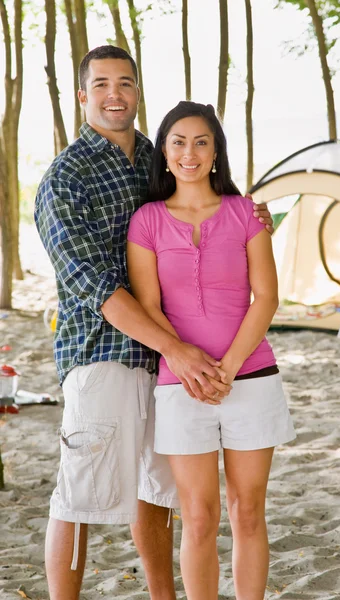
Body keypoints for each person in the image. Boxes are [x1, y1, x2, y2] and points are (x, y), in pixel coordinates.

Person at [34, 45, 274, 600]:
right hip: (102, 353)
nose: (113, 94)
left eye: (125, 83)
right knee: (79, 494)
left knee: (159, 492)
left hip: (167, 363)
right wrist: (179, 350)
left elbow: (201, 214)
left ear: (138, 91)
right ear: (82, 95)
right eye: (100, 84)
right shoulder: (64, 179)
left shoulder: (155, 154)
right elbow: (95, 289)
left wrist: (251, 218)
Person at [126, 101, 296, 600]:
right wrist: (187, 360)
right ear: (164, 152)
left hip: (253, 378)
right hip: (181, 387)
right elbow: (148, 304)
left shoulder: (247, 213)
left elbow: (267, 297)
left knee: (247, 509)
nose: (190, 152)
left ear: (217, 151)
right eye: (178, 142)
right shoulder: (147, 221)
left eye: (202, 141)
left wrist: (228, 368)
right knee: (198, 517)